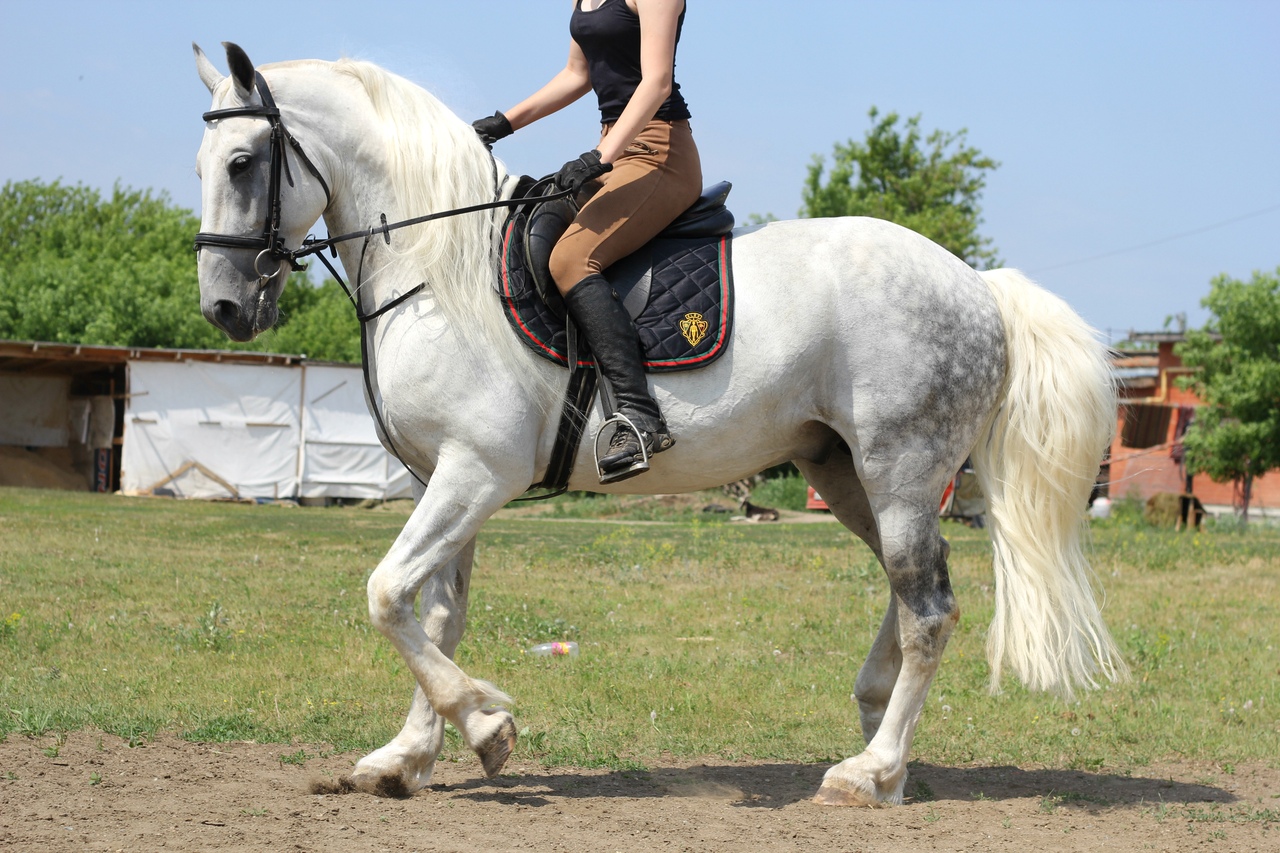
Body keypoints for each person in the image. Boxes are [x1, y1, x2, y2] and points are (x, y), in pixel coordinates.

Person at [472, 0, 702, 483]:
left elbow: (656, 81)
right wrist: (502, 124)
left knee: (574, 259)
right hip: (615, 151)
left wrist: (599, 155)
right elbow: (577, 74)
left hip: (659, 151)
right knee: (528, 231)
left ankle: (641, 416)